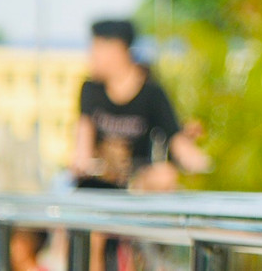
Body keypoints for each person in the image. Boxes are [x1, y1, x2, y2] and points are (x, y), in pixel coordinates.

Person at [71, 19, 211, 190]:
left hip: (137, 185)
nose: (91, 56)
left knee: (164, 175)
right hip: (97, 184)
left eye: (96, 48)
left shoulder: (151, 93)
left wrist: (201, 164)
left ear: (116, 49)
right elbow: (84, 133)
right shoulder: (91, 89)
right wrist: (81, 160)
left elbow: (176, 138)